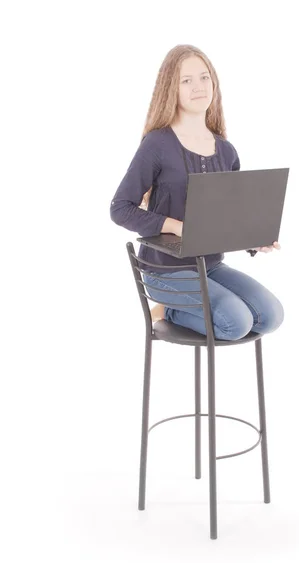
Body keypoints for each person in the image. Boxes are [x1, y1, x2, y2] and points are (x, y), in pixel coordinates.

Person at [110, 44, 284, 341]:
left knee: (271, 316)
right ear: (171, 89)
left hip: (210, 266)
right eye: (186, 80)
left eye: (204, 78)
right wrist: (175, 226)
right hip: (163, 271)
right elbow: (120, 207)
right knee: (237, 322)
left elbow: (228, 216)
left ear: (213, 83)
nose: (198, 87)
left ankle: (193, 310)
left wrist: (255, 239)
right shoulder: (157, 145)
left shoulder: (226, 151)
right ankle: (167, 311)